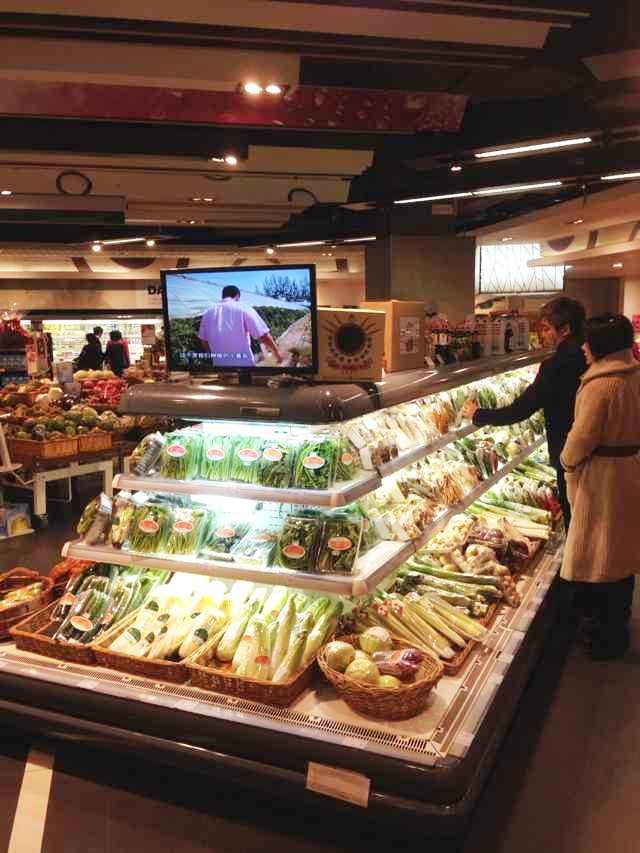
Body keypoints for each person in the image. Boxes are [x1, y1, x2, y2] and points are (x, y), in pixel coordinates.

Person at [462, 297, 587, 529]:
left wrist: (478, 414)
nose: (542, 335)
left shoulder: (556, 365)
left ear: (565, 330)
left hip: (568, 455)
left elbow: (520, 410)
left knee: (575, 522)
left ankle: (576, 553)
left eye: (547, 329)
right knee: (587, 520)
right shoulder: (591, 357)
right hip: (592, 456)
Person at [560, 314, 640, 660]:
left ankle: (604, 635)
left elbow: (582, 438)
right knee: (622, 553)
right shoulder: (634, 375)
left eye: (587, 340)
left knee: (602, 553)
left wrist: (566, 462)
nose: (583, 346)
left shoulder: (601, 385)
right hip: (630, 468)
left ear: (600, 346)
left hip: (603, 477)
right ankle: (617, 627)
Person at [198, 284, 283, 368]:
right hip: (243, 367)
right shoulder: (243, 307)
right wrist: (278, 355)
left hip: (220, 367)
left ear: (223, 296)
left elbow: (203, 340)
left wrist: (214, 356)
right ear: (237, 296)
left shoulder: (208, 312)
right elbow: (263, 335)